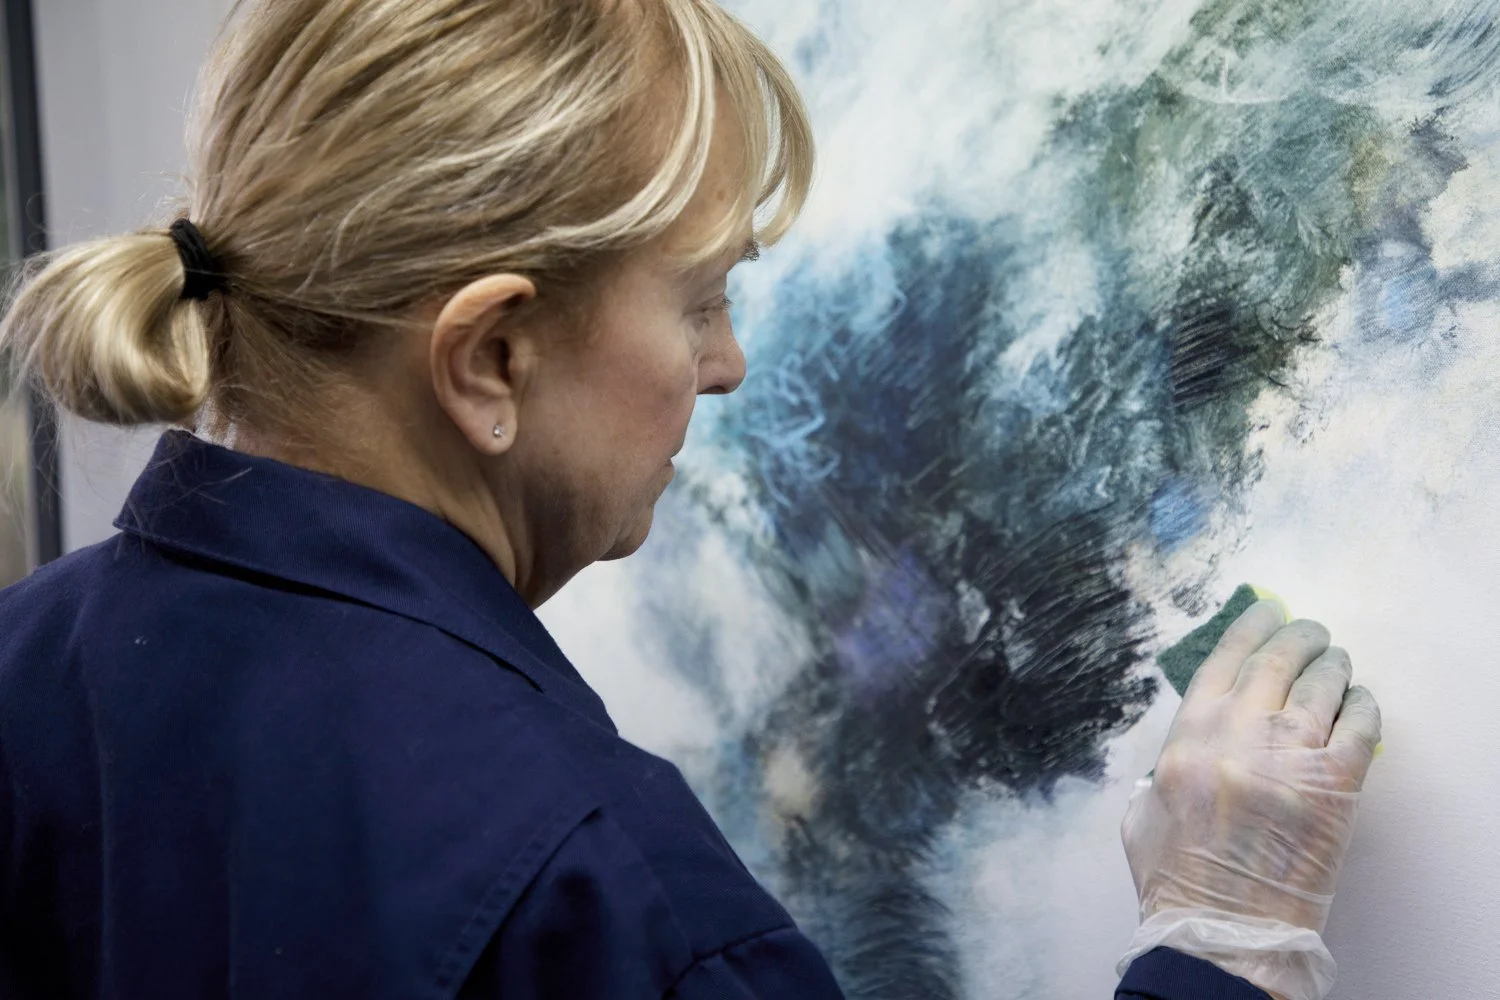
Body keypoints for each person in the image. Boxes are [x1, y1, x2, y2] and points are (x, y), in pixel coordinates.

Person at [0, 1, 1381, 998]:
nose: (728, 366)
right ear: (491, 358)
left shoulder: (20, 664)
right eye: (702, 299)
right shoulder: (605, 898)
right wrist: (1222, 949)